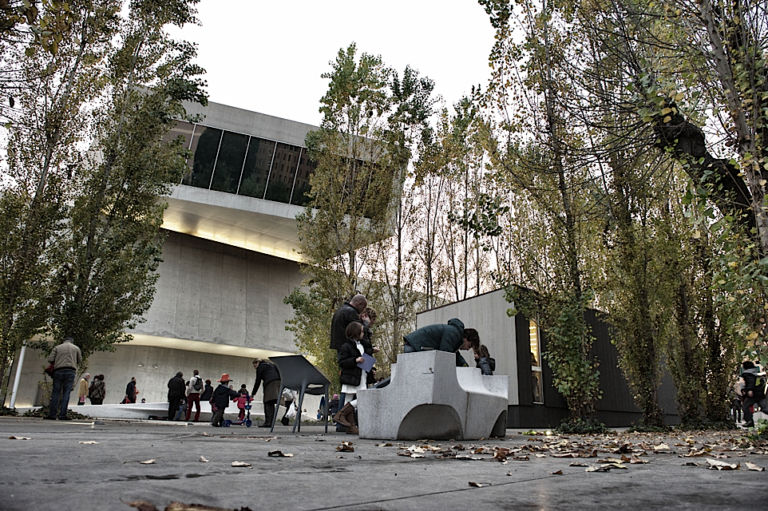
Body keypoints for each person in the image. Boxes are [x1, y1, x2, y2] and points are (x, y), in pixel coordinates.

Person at [330, 293, 367, 430]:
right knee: (357, 395)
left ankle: (347, 425)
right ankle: (343, 419)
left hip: (348, 357)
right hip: (354, 364)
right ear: (360, 304)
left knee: (347, 395)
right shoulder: (351, 314)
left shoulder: (340, 311)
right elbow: (362, 334)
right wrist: (366, 325)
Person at [333, 321, 374, 435]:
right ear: (355, 332)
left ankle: (344, 418)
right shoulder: (346, 346)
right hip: (352, 377)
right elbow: (342, 362)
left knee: (352, 400)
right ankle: (348, 423)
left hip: (361, 376)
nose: (363, 333)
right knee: (355, 399)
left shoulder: (361, 344)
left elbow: (368, 349)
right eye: (361, 331)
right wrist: (355, 360)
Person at [403, 318, 479, 367]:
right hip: (414, 346)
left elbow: (455, 355)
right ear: (466, 338)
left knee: (405, 373)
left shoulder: (455, 336)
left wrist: (464, 365)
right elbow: (445, 355)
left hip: (415, 345)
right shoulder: (454, 333)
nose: (467, 349)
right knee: (406, 373)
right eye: (469, 346)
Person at [46, 337, 82, 420]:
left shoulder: (57, 347)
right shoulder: (76, 348)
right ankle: (63, 415)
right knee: (66, 393)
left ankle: (52, 415)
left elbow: (50, 359)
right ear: (72, 341)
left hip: (58, 371)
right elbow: (80, 360)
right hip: (70, 371)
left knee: (55, 393)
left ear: (64, 341)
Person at [251, 358, 281, 428]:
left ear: (257, 362)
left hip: (270, 384)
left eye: (255, 366)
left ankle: (268, 423)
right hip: (278, 383)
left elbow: (257, 381)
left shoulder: (260, 367)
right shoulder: (272, 365)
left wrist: (253, 393)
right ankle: (271, 422)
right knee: (271, 403)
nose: (255, 368)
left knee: (267, 402)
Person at [741, 360, 766, 427]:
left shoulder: (747, 374)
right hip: (760, 393)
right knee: (765, 408)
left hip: (752, 394)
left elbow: (750, 382)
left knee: (745, 407)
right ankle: (749, 422)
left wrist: (749, 390)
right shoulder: (757, 373)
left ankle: (749, 421)